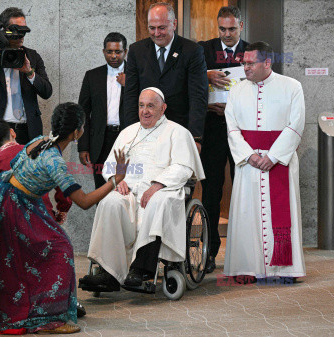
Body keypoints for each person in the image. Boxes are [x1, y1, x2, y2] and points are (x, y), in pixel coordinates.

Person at [0, 103, 128, 334]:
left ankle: (37, 307)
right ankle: (52, 318)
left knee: (21, 256)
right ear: (77, 133)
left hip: (9, 195)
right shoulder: (55, 161)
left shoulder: (41, 140)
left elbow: (17, 165)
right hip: (13, 203)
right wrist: (115, 179)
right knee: (60, 249)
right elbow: (84, 201)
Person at [79, 88, 204, 290]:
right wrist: (116, 179)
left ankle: (141, 269)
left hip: (163, 190)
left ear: (163, 108)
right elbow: (111, 164)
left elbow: (183, 167)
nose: (145, 111)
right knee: (110, 202)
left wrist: (158, 184)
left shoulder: (178, 132)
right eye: (141, 105)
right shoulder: (127, 133)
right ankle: (108, 272)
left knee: (157, 202)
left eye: (151, 106)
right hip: (128, 190)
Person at [224, 42, 306, 281]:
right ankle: (247, 267)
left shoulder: (292, 87)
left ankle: (284, 269)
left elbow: (296, 124)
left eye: (250, 63)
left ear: (267, 63)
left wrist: (273, 156)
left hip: (280, 160)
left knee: (282, 214)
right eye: (244, 62)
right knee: (247, 213)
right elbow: (232, 128)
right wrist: (250, 155)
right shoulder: (236, 89)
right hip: (248, 162)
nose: (245, 67)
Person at [198, 6, 249, 273]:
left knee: (246, 191)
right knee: (211, 192)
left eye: (232, 28)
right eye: (222, 29)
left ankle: (245, 254)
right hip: (214, 128)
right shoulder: (203, 50)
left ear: (241, 25)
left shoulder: (253, 51)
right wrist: (205, 75)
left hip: (243, 132)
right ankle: (209, 252)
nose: (227, 34)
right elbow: (187, 82)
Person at [0, 7, 52, 161]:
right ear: (3, 31)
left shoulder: (32, 56)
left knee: (27, 182)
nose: (21, 36)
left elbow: (47, 92)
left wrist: (29, 72)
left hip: (27, 133)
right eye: (16, 31)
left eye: (24, 31)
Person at [123, 2, 208, 149]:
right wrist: (131, 132)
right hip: (145, 132)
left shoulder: (192, 51)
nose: (156, 33)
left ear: (174, 24)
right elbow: (130, 95)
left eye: (162, 28)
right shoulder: (136, 51)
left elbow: (198, 97)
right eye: (152, 28)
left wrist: (195, 137)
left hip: (180, 131)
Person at [0, 118, 72, 226]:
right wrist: (63, 208)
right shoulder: (38, 151)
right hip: (42, 219)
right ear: (12, 132)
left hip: (10, 228)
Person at [78, 32, 128, 188]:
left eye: (118, 52)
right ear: (103, 52)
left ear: (125, 52)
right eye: (109, 51)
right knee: (101, 190)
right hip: (100, 141)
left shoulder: (135, 75)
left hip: (127, 139)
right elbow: (83, 113)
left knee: (127, 188)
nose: (113, 56)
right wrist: (83, 146)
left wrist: (130, 83)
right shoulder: (92, 76)